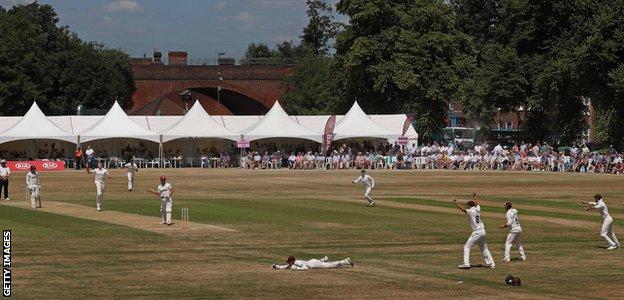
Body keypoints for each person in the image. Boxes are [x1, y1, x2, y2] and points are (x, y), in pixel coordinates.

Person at [453, 192, 495, 269]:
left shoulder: (470, 211)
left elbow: (463, 210)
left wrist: (456, 203)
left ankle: (466, 263)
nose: (467, 206)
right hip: (483, 231)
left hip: (477, 232)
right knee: (484, 248)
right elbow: (478, 203)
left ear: (469, 205)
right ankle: (491, 264)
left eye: (467, 205)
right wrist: (475, 196)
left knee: (466, 247)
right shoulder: (477, 209)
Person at [271, 255, 353, 270]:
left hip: (314, 264)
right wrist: (277, 266)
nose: (288, 264)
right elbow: (286, 266)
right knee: (326, 263)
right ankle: (324, 259)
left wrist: (295, 268)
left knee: (331, 265)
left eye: (289, 263)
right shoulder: (294, 262)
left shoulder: (297, 263)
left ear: (292, 261)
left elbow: (305, 268)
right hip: (311, 261)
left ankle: (345, 261)